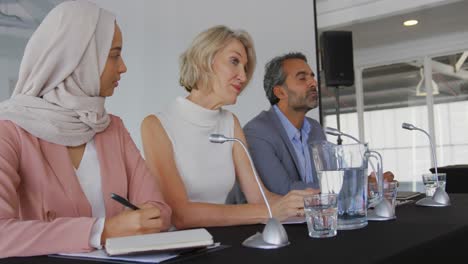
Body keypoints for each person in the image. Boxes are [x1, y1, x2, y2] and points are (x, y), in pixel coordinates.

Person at [0, 1, 171, 258]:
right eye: (114, 54)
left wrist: (151, 217)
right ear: (76, 58)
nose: (123, 66)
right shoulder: (9, 130)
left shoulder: (112, 127)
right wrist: (101, 230)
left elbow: (157, 207)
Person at [141, 26, 316, 229]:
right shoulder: (156, 125)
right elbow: (180, 214)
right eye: (234, 61)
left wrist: (307, 203)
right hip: (179, 250)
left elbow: (259, 198)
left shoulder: (230, 122)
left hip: (220, 242)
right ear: (204, 60)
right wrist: (270, 211)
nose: (243, 76)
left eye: (245, 67)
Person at [242, 52, 394, 196]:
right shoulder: (257, 132)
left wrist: (369, 181)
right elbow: (283, 191)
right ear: (280, 92)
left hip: (309, 219)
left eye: (312, 77)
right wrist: (357, 184)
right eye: (302, 78)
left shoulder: (314, 128)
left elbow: (332, 178)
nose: (313, 83)